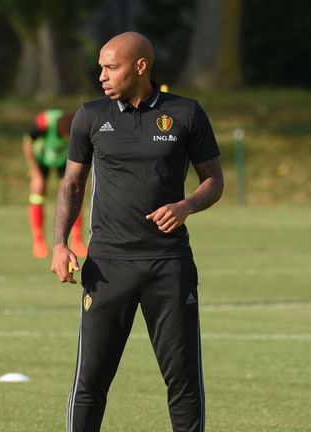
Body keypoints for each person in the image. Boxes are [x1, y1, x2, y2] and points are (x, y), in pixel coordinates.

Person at [50, 32, 224, 431]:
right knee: (90, 380)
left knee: (183, 382)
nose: (102, 76)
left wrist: (186, 206)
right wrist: (59, 243)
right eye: (101, 67)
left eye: (111, 67)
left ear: (140, 67)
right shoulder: (90, 116)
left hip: (169, 266)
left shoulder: (186, 113)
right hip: (107, 267)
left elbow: (213, 180)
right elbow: (71, 185)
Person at [22, 110, 88, 258]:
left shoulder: (75, 125)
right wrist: (35, 171)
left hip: (62, 159)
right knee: (37, 189)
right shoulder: (43, 123)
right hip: (40, 157)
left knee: (74, 192)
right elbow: (26, 143)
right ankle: (38, 239)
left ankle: (77, 239)